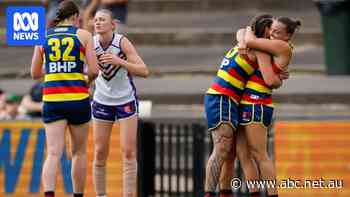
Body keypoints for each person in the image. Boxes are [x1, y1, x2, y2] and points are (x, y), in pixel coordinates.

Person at [219, 16, 301, 197]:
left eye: (278, 32)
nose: (272, 34)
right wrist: (244, 38)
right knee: (243, 154)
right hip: (247, 102)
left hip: (257, 103)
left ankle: (273, 193)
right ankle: (253, 192)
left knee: (260, 154)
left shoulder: (282, 46)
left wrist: (245, 41)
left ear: (288, 37)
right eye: (272, 30)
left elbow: (269, 79)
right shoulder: (269, 45)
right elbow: (243, 32)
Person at [203, 14, 283, 197]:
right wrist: (278, 78)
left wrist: (243, 38)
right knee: (222, 148)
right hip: (222, 97)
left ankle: (225, 192)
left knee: (231, 154)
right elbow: (270, 80)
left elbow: (243, 31)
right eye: (274, 30)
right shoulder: (258, 47)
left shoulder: (250, 41)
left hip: (228, 98)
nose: (276, 34)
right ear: (265, 30)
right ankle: (208, 193)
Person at [30, 1, 99, 197]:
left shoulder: (43, 36)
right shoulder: (84, 35)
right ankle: (78, 195)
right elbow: (94, 70)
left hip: (52, 100)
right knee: (79, 152)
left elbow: (35, 73)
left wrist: (54, 68)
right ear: (76, 16)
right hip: (78, 98)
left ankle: (49, 194)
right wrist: (86, 80)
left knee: (53, 153)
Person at [91, 9, 149, 197]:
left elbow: (143, 70)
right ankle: (101, 195)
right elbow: (88, 70)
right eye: (96, 20)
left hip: (125, 99)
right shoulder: (91, 43)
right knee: (99, 152)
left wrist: (119, 61)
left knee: (128, 152)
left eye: (102, 19)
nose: (98, 23)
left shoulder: (121, 42)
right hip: (101, 100)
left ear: (112, 24)